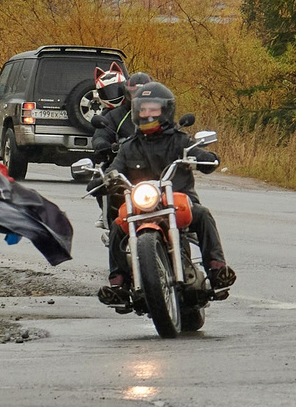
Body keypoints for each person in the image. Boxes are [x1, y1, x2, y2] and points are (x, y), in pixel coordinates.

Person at [99, 80, 233, 307]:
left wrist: (206, 158)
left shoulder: (179, 140)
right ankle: (119, 284)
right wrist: (105, 178)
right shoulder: (129, 146)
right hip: (142, 204)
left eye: (153, 109)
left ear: (165, 110)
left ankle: (217, 271)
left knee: (202, 214)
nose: (147, 114)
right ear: (135, 111)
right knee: (116, 226)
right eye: (143, 109)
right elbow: (115, 167)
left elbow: (199, 153)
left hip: (179, 202)